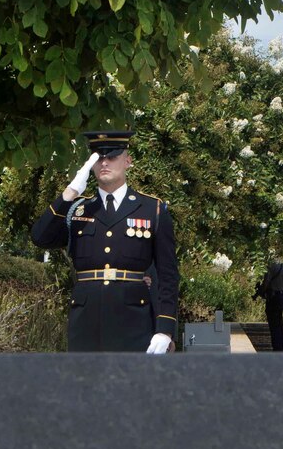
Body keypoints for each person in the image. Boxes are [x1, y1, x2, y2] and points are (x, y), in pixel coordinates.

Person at [31, 130, 178, 353]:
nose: (105, 163)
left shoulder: (151, 209)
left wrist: (165, 328)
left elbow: (167, 274)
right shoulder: (77, 208)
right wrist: (70, 192)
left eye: (112, 156)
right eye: (99, 158)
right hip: (86, 321)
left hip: (133, 321)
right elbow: (41, 238)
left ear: (128, 161)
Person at [253, 261, 283, 351]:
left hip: (273, 298)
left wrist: (261, 291)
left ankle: (277, 347)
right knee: (279, 321)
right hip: (281, 297)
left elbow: (266, 283)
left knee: (274, 324)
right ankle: (280, 345)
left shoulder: (271, 268)